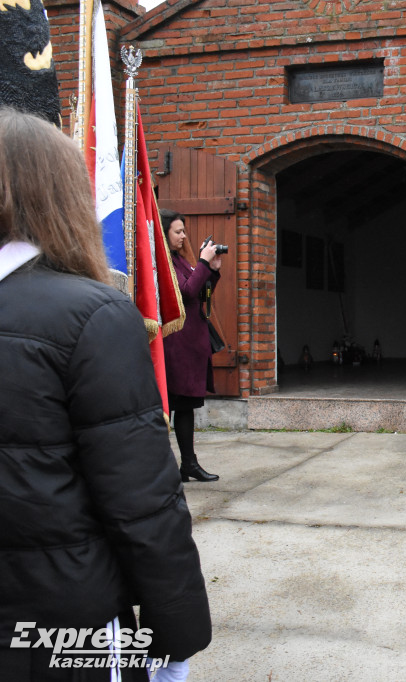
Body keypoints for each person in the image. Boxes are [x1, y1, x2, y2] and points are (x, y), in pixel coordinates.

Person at [0, 109, 211, 678]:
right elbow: (140, 500)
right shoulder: (90, 315)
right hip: (58, 622)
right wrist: (175, 631)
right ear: (63, 197)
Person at [162, 209, 222, 482]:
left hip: (190, 344)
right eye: (178, 231)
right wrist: (202, 262)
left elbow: (200, 291)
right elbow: (185, 292)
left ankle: (189, 465)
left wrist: (212, 270)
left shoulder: (179, 260)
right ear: (163, 233)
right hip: (176, 347)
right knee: (172, 407)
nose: (183, 236)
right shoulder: (163, 263)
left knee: (185, 408)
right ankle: (167, 468)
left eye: (184, 231)